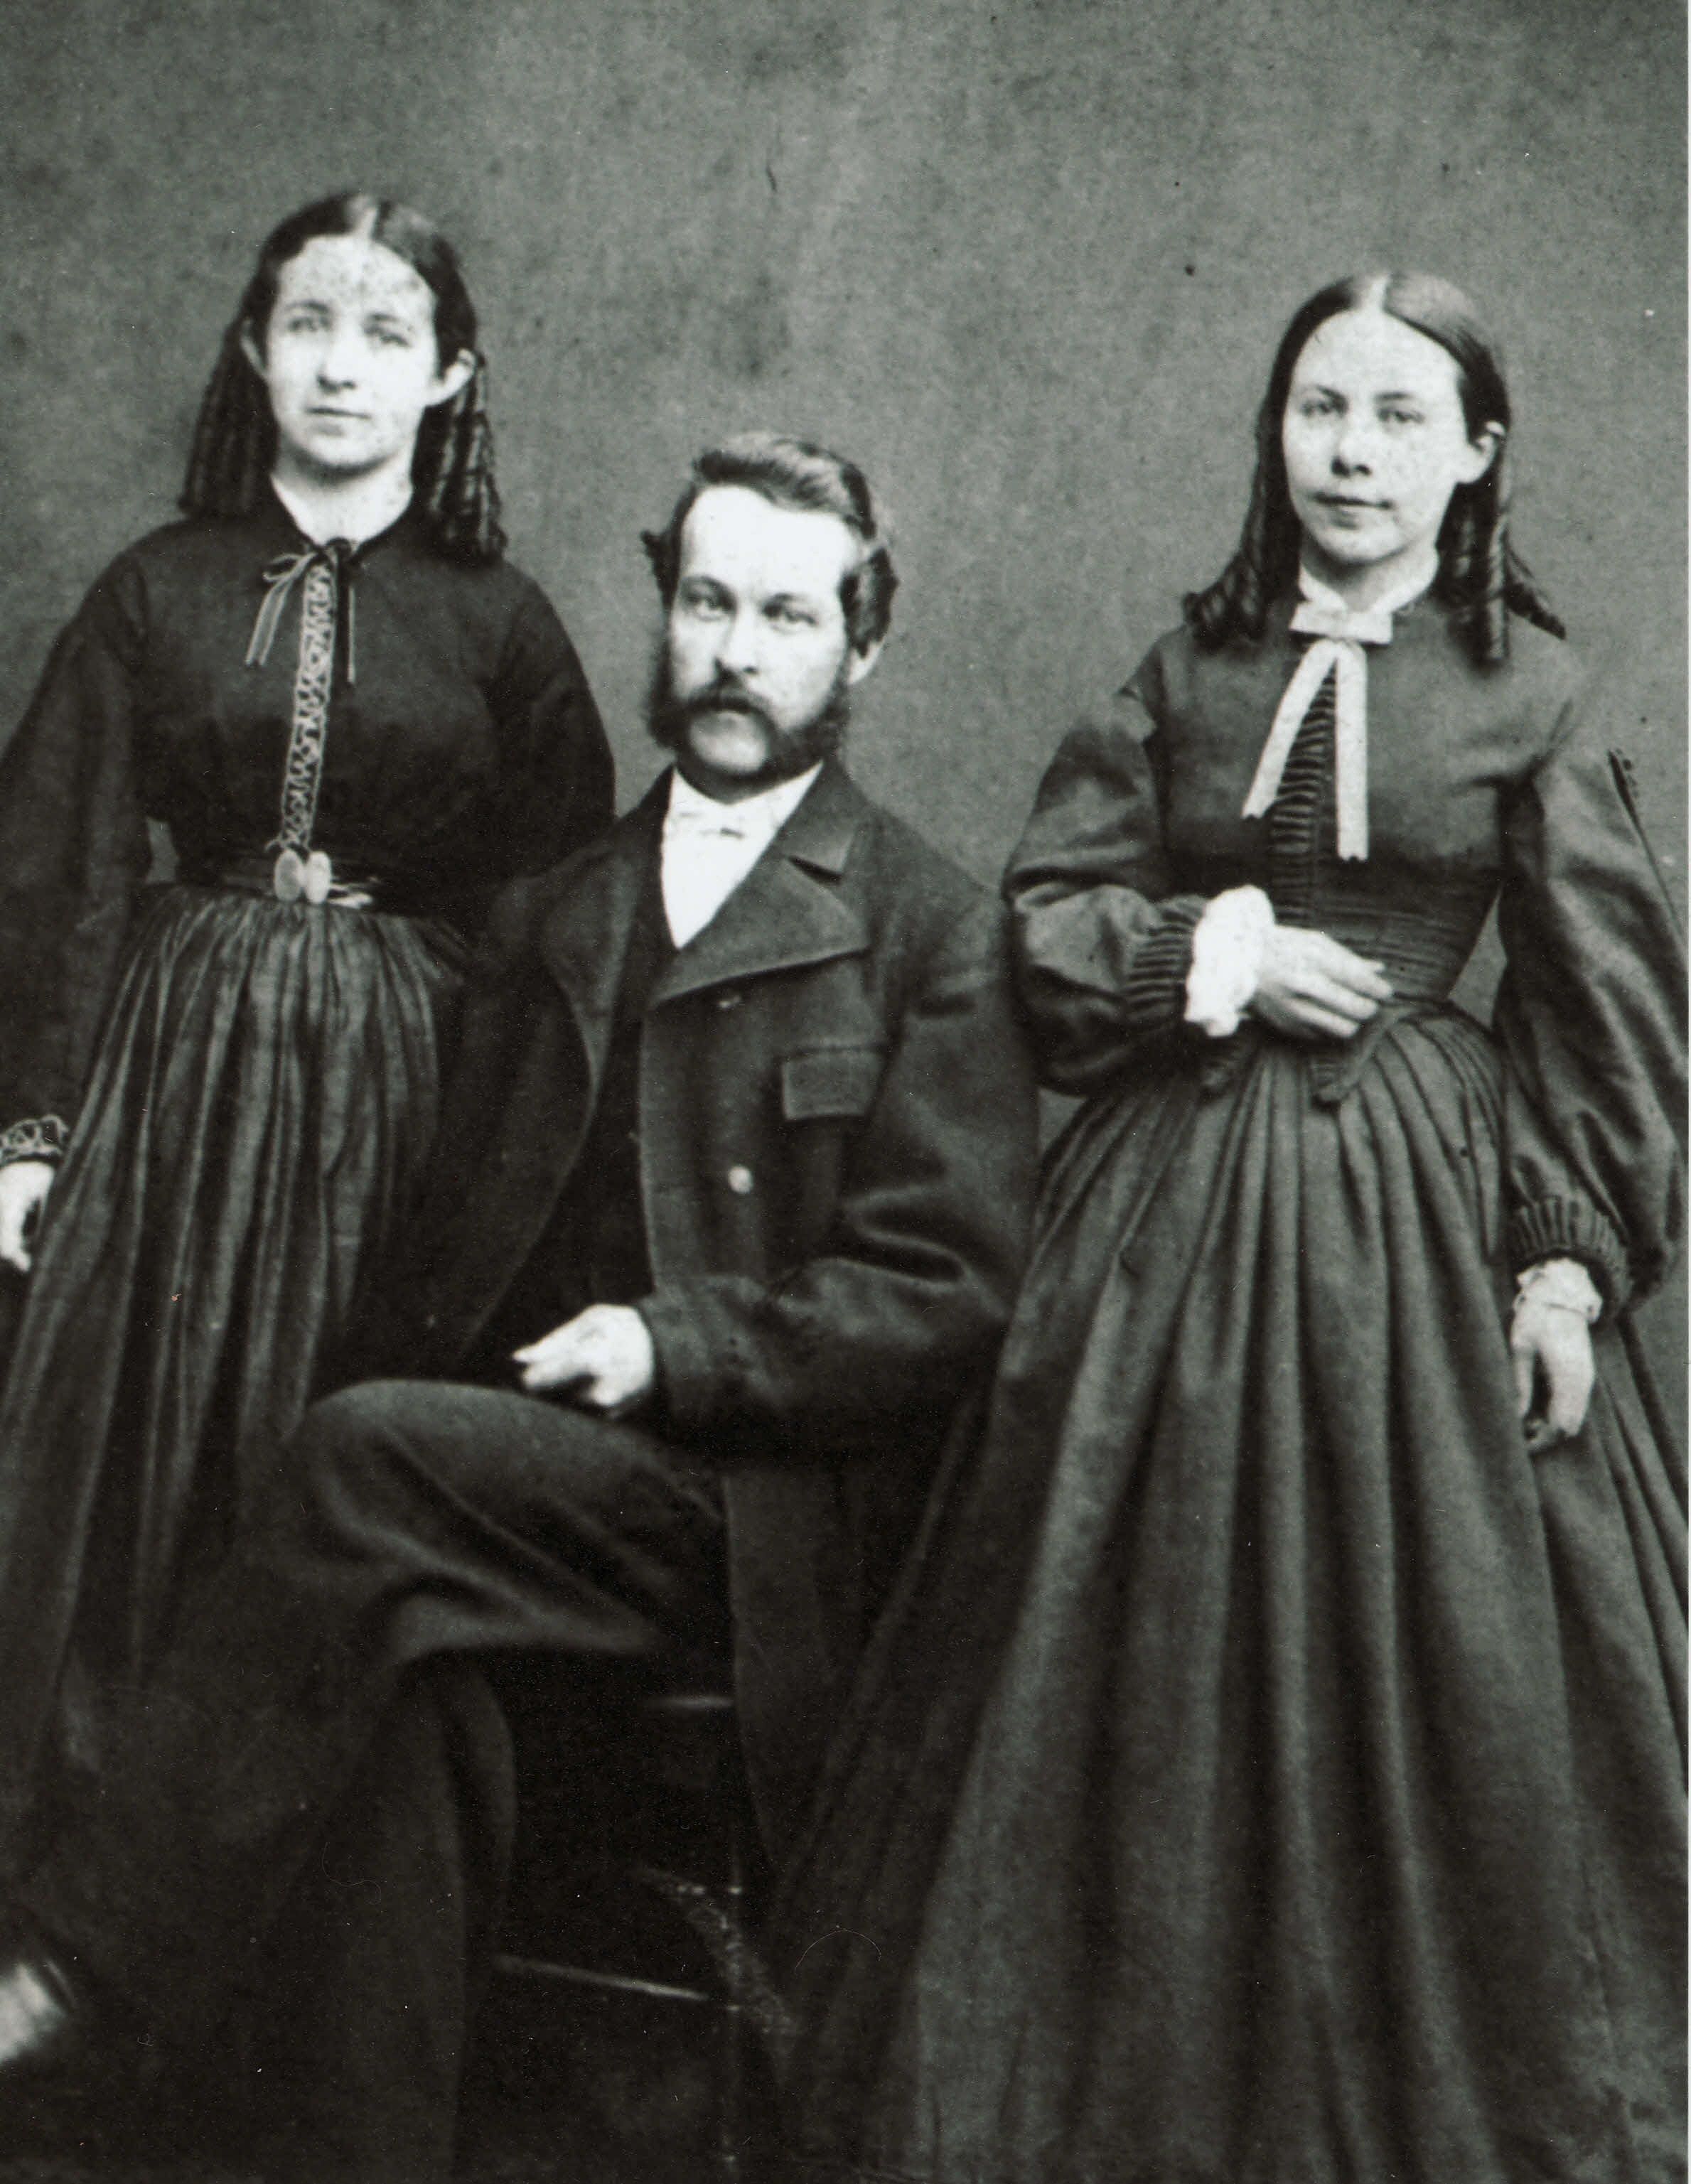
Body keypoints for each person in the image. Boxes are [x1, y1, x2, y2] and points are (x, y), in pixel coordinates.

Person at [0, 433, 1039, 2180]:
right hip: (513, 1509)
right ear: (662, 610)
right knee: (408, 1701)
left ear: (864, 644)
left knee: (362, 1459)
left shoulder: (928, 931)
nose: (734, 651)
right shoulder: (550, 906)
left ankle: (69, 1965)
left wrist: (675, 1344)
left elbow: (945, 1295)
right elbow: (435, 1259)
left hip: (750, 1530)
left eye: (787, 616)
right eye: (705, 601)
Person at [769, 275, 1687, 2183]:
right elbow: (1041, 920)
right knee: (1106, 1623)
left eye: (1398, 417)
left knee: (1470, 1662)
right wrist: (1212, 952)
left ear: (1474, 451)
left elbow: (1596, 1008)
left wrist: (1558, 1261)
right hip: (1163, 1214)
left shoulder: (1529, 691)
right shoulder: (1186, 675)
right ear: (1273, 431)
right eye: (1316, 408)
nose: (1349, 452)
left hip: (1418, 1227)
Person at [0, 191, 611, 1868]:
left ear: (450, 374)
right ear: (254, 351)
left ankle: (267, 1897)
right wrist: (31, 1130)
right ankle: (74, 1899)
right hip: (169, 1069)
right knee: (115, 1466)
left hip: (392, 1094)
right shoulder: (157, 588)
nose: (343, 367)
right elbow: (56, 863)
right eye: (311, 327)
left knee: (323, 1446)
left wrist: (487, 1150)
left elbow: (554, 911)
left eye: (386, 334)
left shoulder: (500, 623)